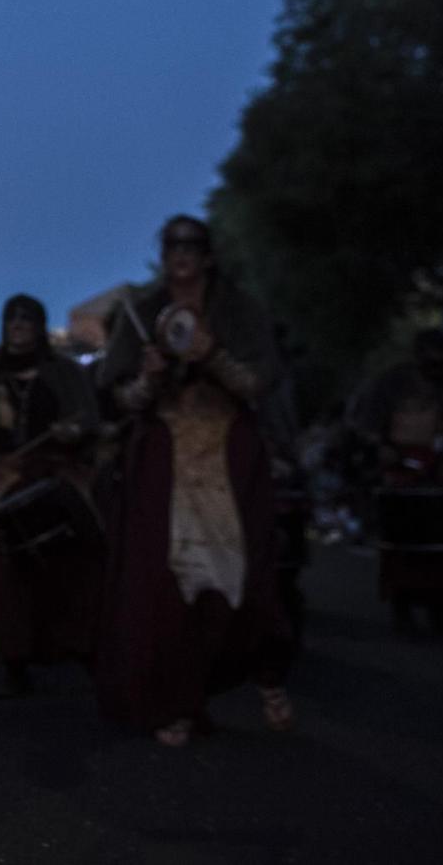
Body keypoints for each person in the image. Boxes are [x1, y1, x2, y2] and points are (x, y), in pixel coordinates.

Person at [95, 215, 293, 746]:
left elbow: (257, 383)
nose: (179, 254)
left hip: (227, 451)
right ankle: (178, 701)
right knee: (166, 581)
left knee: (244, 576)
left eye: (190, 245)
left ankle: (263, 673)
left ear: (207, 254)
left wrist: (214, 357)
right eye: (171, 245)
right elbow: (119, 397)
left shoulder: (240, 309)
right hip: (166, 452)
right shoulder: (140, 312)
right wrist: (148, 378)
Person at [0, 294, 103, 697]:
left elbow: (89, 419)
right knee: (10, 571)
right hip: (6, 476)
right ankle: (15, 658)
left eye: (26, 319)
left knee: (73, 560)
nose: (18, 325)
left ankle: (78, 644)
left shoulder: (65, 373)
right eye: (12, 319)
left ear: (38, 325)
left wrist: (76, 430)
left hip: (57, 471)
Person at [352, 328, 443, 634]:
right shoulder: (392, 383)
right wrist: (384, 448)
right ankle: (402, 606)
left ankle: (442, 609)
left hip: (440, 472)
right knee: (403, 544)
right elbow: (368, 427)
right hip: (402, 472)